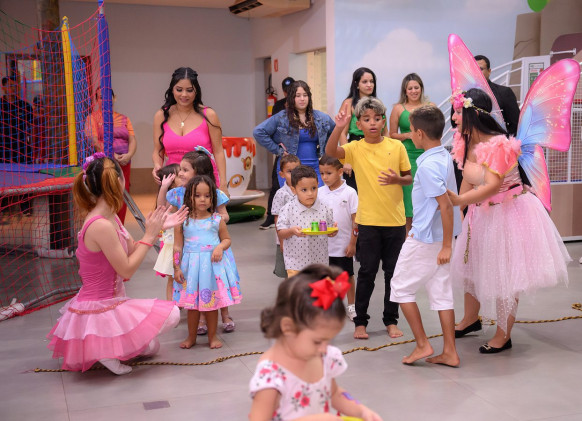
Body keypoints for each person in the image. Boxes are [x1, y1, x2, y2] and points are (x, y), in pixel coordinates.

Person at [447, 89, 570, 353]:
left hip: (508, 213)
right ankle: (470, 319)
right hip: (481, 214)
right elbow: (468, 180)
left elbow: (492, 186)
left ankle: (504, 335)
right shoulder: (465, 141)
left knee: (504, 275)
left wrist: (459, 201)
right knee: (471, 269)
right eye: (454, 112)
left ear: (474, 114)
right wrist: (458, 209)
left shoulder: (499, 145)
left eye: (458, 112)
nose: (454, 118)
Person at [46, 153, 187, 375]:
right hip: (100, 308)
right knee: (172, 315)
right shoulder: (100, 225)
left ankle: (108, 346)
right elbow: (126, 269)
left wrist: (159, 228)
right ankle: (103, 349)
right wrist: (149, 236)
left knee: (152, 347)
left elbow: (131, 249)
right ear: (119, 182)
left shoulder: (110, 216)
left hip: (114, 302)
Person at [249, 264, 383, 421]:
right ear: (288, 327)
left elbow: (333, 393)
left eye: (330, 340)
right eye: (317, 341)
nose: (325, 348)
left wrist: (361, 411)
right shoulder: (272, 376)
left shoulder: (323, 356)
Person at [326, 97, 412, 340]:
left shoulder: (397, 146)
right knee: (367, 272)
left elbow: (408, 177)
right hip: (368, 222)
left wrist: (397, 179)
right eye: (366, 119)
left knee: (393, 274)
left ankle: (391, 320)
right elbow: (331, 152)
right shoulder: (355, 148)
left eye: (376, 118)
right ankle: (360, 322)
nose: (372, 123)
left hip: (395, 222)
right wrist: (338, 128)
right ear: (359, 124)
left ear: (383, 121)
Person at [389, 105, 462, 367]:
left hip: (426, 238)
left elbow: (445, 205)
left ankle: (422, 344)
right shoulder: (442, 156)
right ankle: (450, 352)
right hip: (439, 237)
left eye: (411, 131)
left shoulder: (429, 166)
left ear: (419, 133)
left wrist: (446, 246)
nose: (410, 135)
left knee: (400, 287)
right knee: (441, 292)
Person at [165, 148, 233, 333]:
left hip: (213, 250)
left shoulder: (214, 195)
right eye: (180, 169)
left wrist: (213, 220)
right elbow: (170, 219)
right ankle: (201, 320)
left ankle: (225, 314)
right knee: (198, 284)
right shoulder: (179, 194)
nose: (180, 173)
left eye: (185, 169)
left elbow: (225, 217)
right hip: (192, 253)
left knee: (218, 283)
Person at [173, 175, 242, 349]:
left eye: (207, 195)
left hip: (212, 268)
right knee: (192, 307)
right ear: (189, 197)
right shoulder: (183, 222)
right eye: (197, 195)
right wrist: (176, 267)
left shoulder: (216, 220)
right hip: (191, 269)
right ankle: (191, 337)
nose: (202, 199)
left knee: (212, 305)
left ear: (213, 198)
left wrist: (220, 247)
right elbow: (177, 246)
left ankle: (212, 337)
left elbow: (227, 240)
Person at [152, 67, 228, 195]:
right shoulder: (161, 115)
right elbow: (157, 150)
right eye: (179, 90)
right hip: (173, 183)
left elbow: (218, 151)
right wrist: (157, 166)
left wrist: (223, 183)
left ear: (196, 91)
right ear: (172, 90)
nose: (184, 95)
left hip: (203, 184)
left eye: (189, 90)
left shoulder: (209, 115)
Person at [253, 80, 335, 189]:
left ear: (309, 97)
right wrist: (278, 150)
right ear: (292, 98)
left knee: (316, 197)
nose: (302, 99)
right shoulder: (282, 117)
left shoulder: (321, 117)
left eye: (305, 95)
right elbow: (258, 132)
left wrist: (323, 150)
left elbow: (334, 131)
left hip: (314, 168)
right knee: (293, 198)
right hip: (290, 169)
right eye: (298, 95)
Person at [389, 73, 434, 233]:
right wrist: (407, 135)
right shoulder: (398, 108)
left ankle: (427, 232)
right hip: (407, 155)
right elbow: (391, 135)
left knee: (428, 192)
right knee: (409, 196)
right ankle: (408, 236)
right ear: (405, 91)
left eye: (416, 87)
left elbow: (436, 131)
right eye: (410, 88)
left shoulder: (430, 106)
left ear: (421, 88)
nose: (414, 91)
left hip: (426, 154)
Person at [85, 88, 137, 223]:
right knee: (106, 194)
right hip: (105, 164)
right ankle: (107, 226)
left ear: (114, 98)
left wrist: (129, 155)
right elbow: (95, 141)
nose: (105, 99)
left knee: (122, 193)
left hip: (124, 163)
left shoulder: (124, 118)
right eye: (101, 97)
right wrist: (111, 155)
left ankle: (120, 227)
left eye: (108, 96)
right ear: (97, 100)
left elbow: (132, 139)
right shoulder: (92, 118)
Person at [318, 154, 358, 321]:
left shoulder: (350, 193)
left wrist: (353, 243)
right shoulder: (319, 192)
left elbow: (355, 220)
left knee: (346, 275)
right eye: (322, 173)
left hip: (343, 244)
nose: (325, 177)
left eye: (329, 173)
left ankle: (351, 306)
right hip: (323, 245)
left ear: (340, 172)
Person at [276, 166, 335, 278]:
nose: (310, 193)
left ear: (318, 185)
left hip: (320, 263)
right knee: (298, 289)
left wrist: (332, 232)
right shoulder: (287, 209)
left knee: (320, 289)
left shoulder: (325, 208)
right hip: (295, 264)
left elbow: (329, 230)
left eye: (314, 188)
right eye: (304, 190)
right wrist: (292, 231)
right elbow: (281, 233)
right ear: (294, 190)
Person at [337, 67, 382, 191]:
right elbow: (342, 133)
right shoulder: (348, 103)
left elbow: (385, 132)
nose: (369, 85)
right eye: (365, 82)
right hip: (356, 149)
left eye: (371, 81)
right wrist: (346, 159)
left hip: (376, 150)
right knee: (355, 192)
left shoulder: (378, 103)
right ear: (356, 84)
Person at [260, 76, 295, 230]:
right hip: (284, 153)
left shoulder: (302, 106)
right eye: (286, 90)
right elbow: (271, 128)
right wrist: (278, 148)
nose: (289, 93)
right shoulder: (279, 105)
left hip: (299, 153)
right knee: (276, 184)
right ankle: (271, 216)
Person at [153, 163, 181, 301]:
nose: (183, 174)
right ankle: (171, 304)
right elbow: (161, 207)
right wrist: (164, 188)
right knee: (172, 277)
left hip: (184, 242)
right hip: (172, 243)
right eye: (179, 173)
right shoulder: (171, 197)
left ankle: (182, 301)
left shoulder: (184, 192)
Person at [271, 154, 301, 278]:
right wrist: (281, 241)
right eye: (289, 171)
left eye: (297, 170)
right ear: (282, 174)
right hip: (285, 238)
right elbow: (277, 218)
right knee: (287, 273)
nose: (294, 174)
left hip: (301, 237)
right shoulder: (281, 194)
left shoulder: (305, 190)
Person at [0, 76, 33, 164]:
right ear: (3, 87)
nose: (13, 88)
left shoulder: (24, 106)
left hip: (22, 149)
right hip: (3, 150)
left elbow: (32, 128)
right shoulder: (1, 105)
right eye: (10, 85)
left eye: (15, 86)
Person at [32, 95, 49, 163]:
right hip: (35, 129)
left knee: (42, 143)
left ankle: (42, 158)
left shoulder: (42, 110)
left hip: (42, 129)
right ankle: (34, 158)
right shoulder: (34, 110)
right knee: (35, 143)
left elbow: (45, 117)